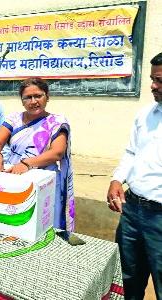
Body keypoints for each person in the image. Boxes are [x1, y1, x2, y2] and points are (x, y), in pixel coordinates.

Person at [107, 52, 162, 300]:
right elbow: (131, 152)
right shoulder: (146, 115)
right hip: (132, 212)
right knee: (128, 280)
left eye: (160, 80)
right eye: (152, 79)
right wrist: (117, 179)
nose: (153, 86)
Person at [0, 77, 74, 231]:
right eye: (28, 97)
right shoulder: (14, 119)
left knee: (43, 226)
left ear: (47, 97)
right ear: (22, 101)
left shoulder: (56, 121)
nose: (33, 101)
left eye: (38, 96)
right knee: (15, 224)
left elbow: (57, 152)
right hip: (14, 179)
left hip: (44, 182)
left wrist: (27, 164)